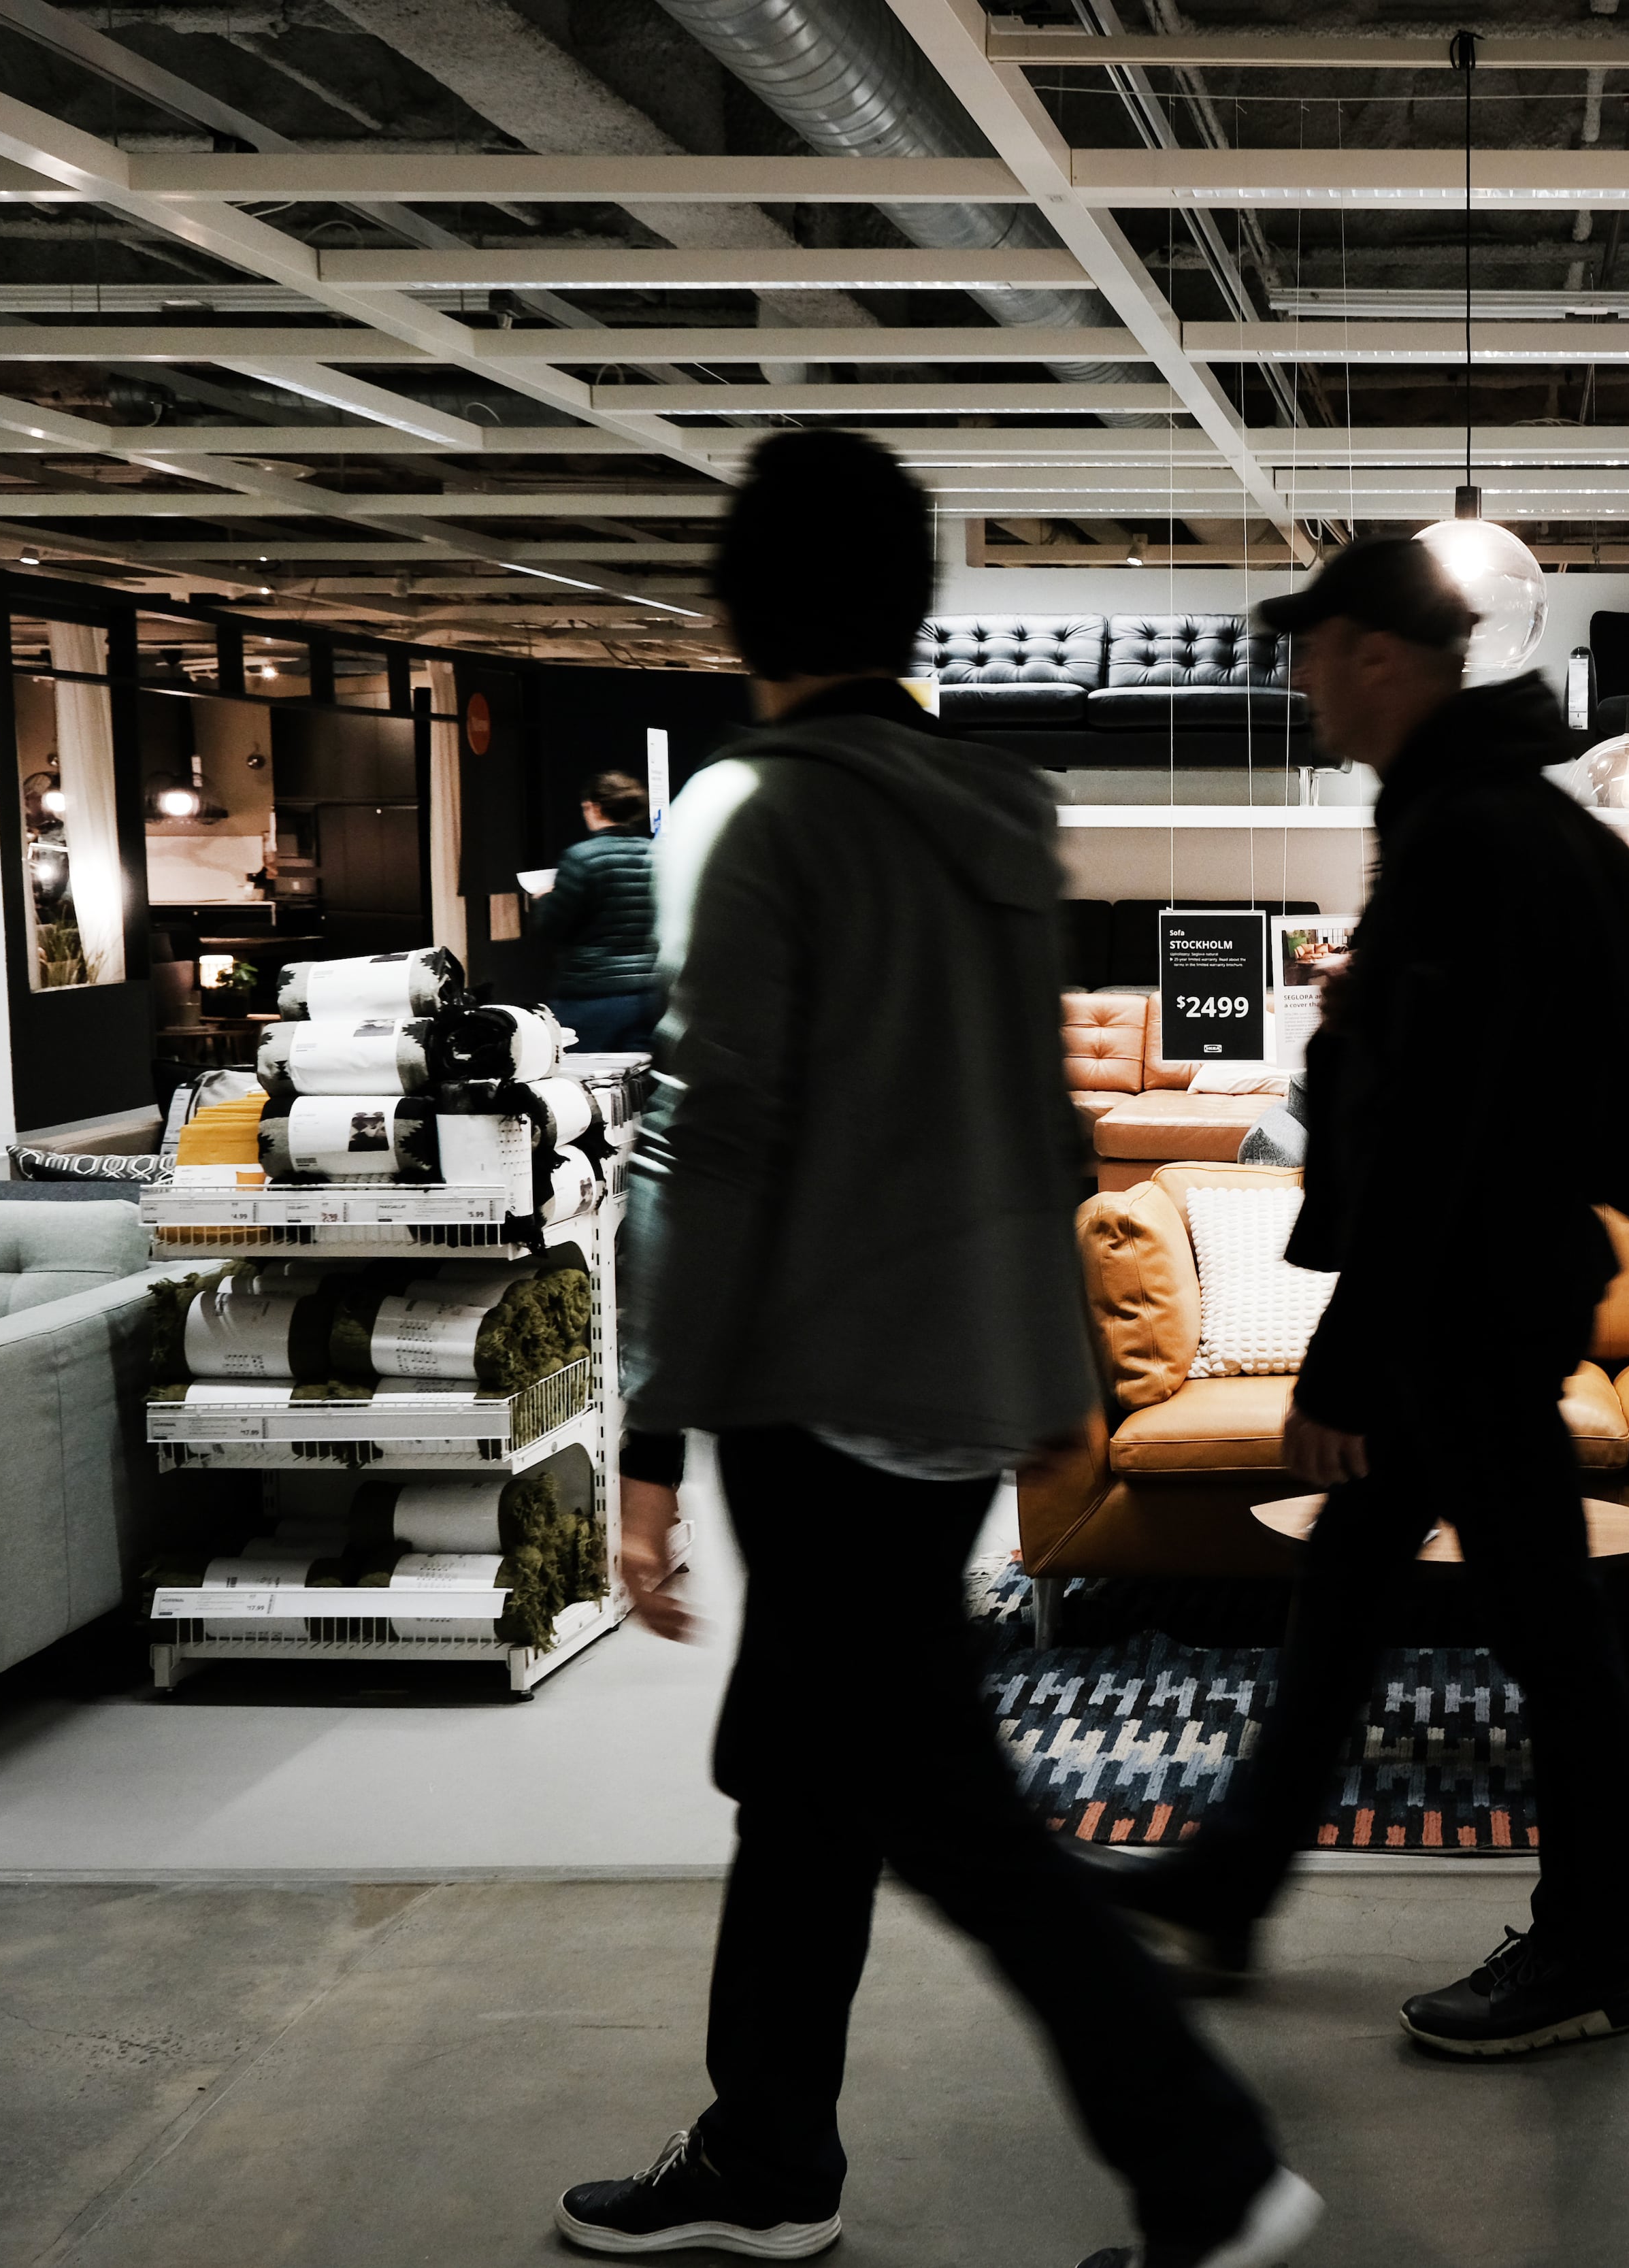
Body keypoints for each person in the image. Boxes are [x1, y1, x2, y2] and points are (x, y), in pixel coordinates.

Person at [557, 430, 1318, 2268]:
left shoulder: (752, 808)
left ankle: (1205, 2162)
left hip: (818, 1382)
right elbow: (1043, 1127)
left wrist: (649, 1436)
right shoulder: (1001, 809)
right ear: (917, 608)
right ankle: (765, 2148)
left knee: (936, 1802)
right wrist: (1057, 1366)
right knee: (808, 1768)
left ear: (737, 606)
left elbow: (708, 1139)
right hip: (958, 1384)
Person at [1093, 538, 1629, 2058]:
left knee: (1544, 1621)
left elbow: (1449, 1125)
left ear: (1382, 653)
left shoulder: (1473, 835)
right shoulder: (1475, 817)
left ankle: (1589, 1949)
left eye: (1316, 649)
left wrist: (1347, 1362)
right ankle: (1234, 1881)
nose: (1300, 678)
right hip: (1480, 1281)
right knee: (1354, 1591)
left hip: (1474, 1299)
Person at [532, 770, 663, 1055]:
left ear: (595, 808)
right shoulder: (656, 855)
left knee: (587, 1084)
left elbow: (553, 927)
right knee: (638, 1085)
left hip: (591, 995)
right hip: (648, 993)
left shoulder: (581, 858)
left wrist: (544, 899)